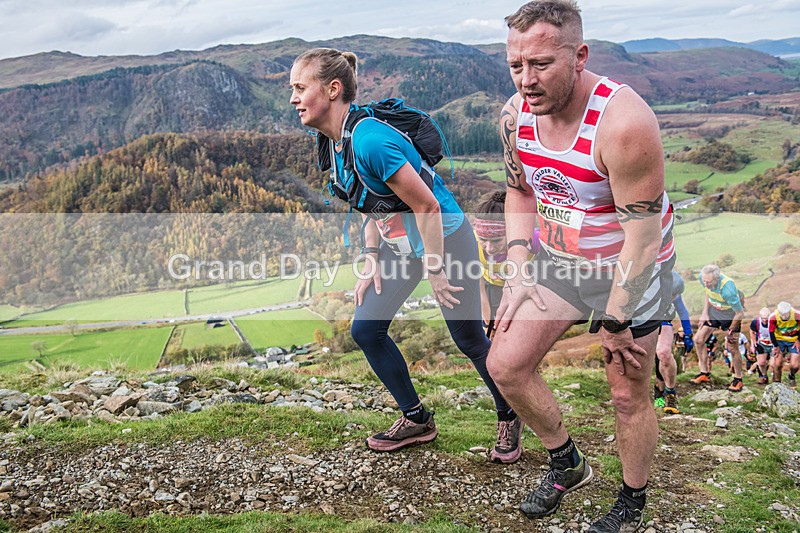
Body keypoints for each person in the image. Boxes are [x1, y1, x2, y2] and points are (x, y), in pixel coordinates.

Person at [486, 1, 676, 531]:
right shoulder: (515, 114)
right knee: (506, 364)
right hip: (562, 261)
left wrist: (616, 321)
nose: (527, 79)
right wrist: (520, 265)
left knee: (625, 392)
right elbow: (519, 191)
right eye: (516, 65)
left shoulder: (624, 123)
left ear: (580, 55)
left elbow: (642, 236)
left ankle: (631, 501)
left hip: (631, 270)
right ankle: (567, 462)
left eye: (541, 64)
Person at [289, 48, 524, 463]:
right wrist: (370, 259)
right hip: (404, 247)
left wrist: (435, 268)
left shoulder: (370, 140)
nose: (293, 98)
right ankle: (416, 419)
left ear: (332, 88)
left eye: (299, 87)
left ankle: (510, 414)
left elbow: (429, 206)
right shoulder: (335, 143)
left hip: (446, 241)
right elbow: (369, 204)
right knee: (366, 329)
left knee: (468, 337)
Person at [473, 190, 540, 339]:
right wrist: (487, 319)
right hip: (492, 287)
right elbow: (479, 288)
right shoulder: (472, 242)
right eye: (484, 240)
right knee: (491, 333)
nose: (489, 248)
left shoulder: (533, 239)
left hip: (524, 287)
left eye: (497, 240)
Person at [689, 265, 745, 391]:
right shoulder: (703, 278)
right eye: (704, 281)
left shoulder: (728, 290)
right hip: (714, 310)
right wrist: (704, 313)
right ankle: (704, 373)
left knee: (732, 346)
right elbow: (707, 294)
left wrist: (731, 329)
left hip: (730, 314)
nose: (705, 283)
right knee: (698, 339)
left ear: (717, 279)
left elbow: (740, 313)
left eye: (708, 282)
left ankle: (738, 379)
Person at [654, 272, 693, 414]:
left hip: (663, 320)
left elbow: (682, 311)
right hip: (642, 319)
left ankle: (670, 393)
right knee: (650, 358)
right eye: (672, 296)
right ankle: (657, 393)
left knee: (663, 354)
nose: (674, 299)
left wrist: (688, 334)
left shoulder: (673, 286)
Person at [769, 301, 800, 387]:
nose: (783, 317)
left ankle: (791, 375)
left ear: (790, 312)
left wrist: (798, 340)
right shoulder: (773, 317)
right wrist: (775, 346)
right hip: (779, 339)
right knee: (777, 363)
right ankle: (777, 384)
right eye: (782, 315)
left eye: (786, 315)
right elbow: (771, 332)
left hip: (793, 340)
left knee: (795, 365)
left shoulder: (797, 315)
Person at [749, 307, 774, 384]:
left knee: (773, 364)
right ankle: (764, 376)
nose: (765, 320)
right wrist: (753, 344)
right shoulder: (756, 322)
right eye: (763, 318)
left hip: (773, 344)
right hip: (762, 344)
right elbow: (752, 332)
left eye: (767, 318)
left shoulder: (774, 321)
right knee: (761, 362)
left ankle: (775, 377)